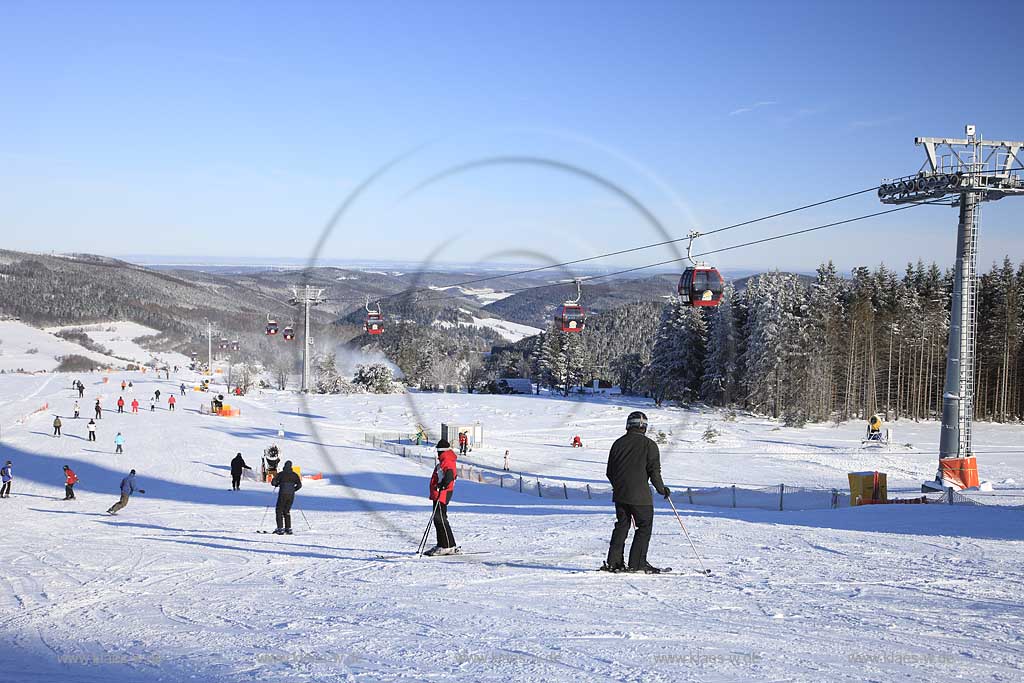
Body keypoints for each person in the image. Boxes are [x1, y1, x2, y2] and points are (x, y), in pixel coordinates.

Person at [602, 411, 671, 574]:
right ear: (644, 427)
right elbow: (654, 472)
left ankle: (614, 562)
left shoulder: (617, 443)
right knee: (644, 527)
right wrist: (662, 490)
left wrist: (619, 486)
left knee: (622, 526)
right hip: (641, 497)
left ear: (628, 425)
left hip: (620, 495)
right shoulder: (650, 445)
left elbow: (610, 471)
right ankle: (637, 563)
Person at [423, 439, 459, 556]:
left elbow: (449, 476)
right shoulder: (445, 459)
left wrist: (441, 486)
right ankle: (444, 544)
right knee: (438, 519)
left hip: (442, 493)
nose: (437, 454)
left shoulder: (447, 460)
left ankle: (447, 546)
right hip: (439, 493)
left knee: (440, 519)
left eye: (438, 451)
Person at [270, 461, 302, 534]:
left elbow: (273, 482)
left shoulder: (281, 474)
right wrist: (293, 490)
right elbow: (299, 485)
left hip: (282, 494)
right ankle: (288, 528)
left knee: (279, 510)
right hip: (291, 495)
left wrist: (277, 483)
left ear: (284, 466)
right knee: (287, 511)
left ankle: (280, 528)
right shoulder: (295, 475)